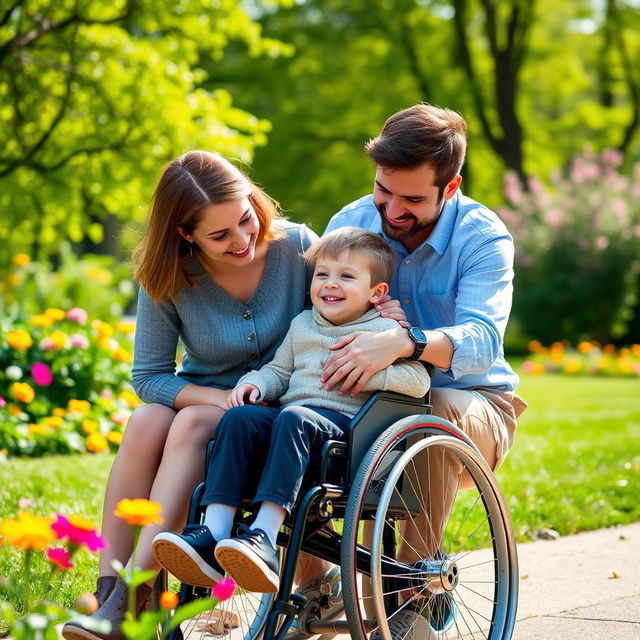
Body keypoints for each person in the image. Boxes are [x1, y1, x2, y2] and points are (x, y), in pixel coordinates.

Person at [62, 150, 320, 640]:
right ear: (185, 234)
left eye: (246, 220)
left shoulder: (299, 248)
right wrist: (215, 398)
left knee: (189, 423)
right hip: (210, 404)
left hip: (283, 410)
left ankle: (135, 604)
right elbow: (149, 377)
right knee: (144, 422)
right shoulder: (168, 276)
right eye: (220, 236)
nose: (242, 241)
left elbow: (341, 306)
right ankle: (112, 594)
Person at [298, 103, 526, 639]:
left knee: (434, 411)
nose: (392, 209)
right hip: (369, 402)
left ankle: (414, 595)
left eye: (413, 199)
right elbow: (311, 317)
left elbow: (484, 344)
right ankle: (314, 589)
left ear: (450, 188)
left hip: (470, 405)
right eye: (384, 190)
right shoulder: (348, 223)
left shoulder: (483, 238)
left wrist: (405, 340)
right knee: (296, 414)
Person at [151, 228, 430, 594]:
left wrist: (373, 373)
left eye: (346, 276)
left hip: (344, 434)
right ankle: (213, 532)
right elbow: (279, 372)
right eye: (322, 274)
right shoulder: (302, 324)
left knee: (293, 418)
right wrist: (256, 384)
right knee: (240, 417)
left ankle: (263, 537)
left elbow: (419, 381)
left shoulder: (382, 331)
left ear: (376, 293)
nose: (331, 284)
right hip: (291, 424)